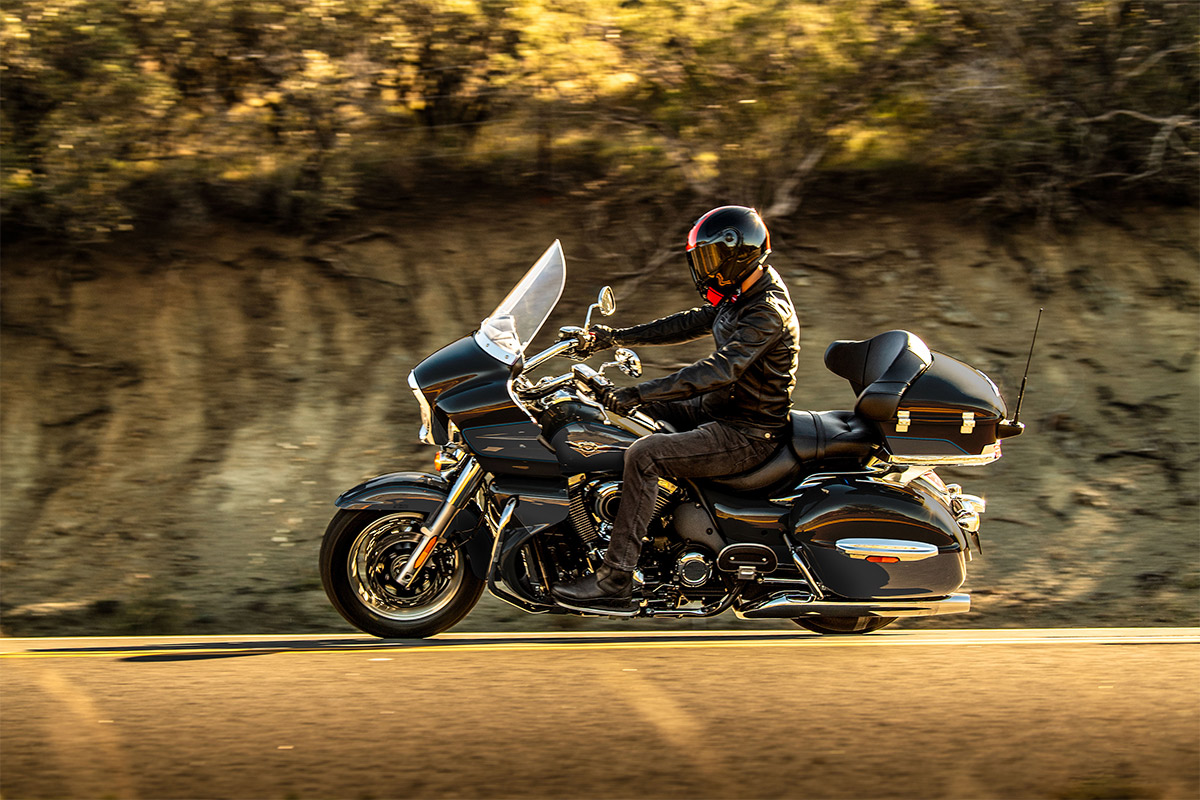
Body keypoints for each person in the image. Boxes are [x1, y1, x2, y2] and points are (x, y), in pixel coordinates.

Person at [551, 205, 801, 610]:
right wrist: (611, 337)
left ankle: (616, 578)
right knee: (623, 424)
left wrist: (641, 392)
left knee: (646, 455)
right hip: (720, 409)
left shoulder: (767, 311)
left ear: (738, 254)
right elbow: (688, 323)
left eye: (710, 258)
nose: (703, 268)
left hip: (748, 431)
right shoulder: (741, 295)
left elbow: (721, 370)